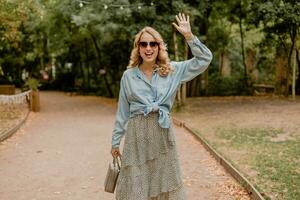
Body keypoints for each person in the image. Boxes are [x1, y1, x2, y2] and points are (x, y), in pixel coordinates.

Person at [110, 13, 212, 200]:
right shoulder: (129, 76)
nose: (148, 48)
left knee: (164, 183)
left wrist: (189, 37)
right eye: (143, 44)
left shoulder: (172, 70)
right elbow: (123, 111)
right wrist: (116, 141)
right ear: (138, 48)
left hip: (162, 135)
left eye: (153, 44)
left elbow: (204, 59)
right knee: (136, 186)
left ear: (159, 47)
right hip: (136, 138)